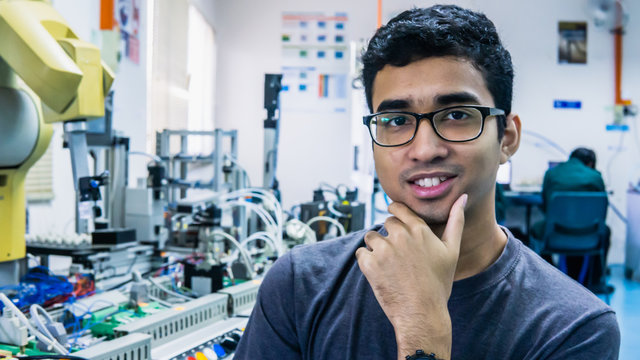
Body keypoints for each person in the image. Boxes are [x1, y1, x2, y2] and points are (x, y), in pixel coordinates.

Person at [235, 5, 619, 359]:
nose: (424, 149)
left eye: (455, 115)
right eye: (397, 121)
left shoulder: (575, 330)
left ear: (506, 138)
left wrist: (424, 335)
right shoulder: (299, 288)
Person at [531, 147, 611, 290]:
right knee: (605, 231)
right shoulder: (595, 176)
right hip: (588, 236)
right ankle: (594, 282)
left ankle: (549, 279)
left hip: (556, 234)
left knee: (534, 230)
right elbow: (601, 213)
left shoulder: (551, 174)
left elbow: (545, 206)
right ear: (591, 163)